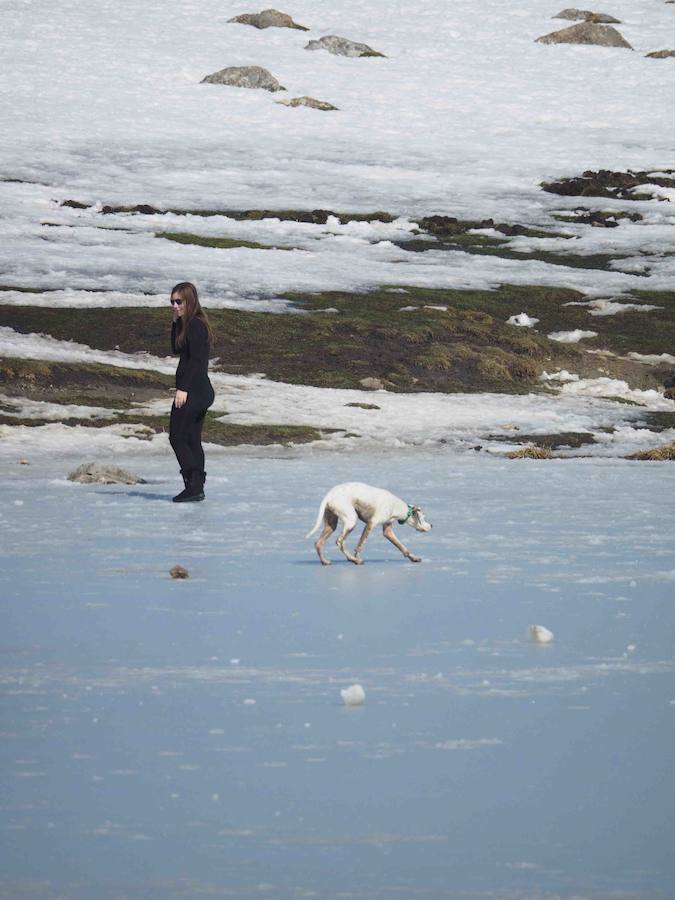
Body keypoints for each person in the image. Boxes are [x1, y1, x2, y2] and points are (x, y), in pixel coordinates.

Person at [168, 282, 215, 502]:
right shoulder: (189, 324)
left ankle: (194, 484)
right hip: (199, 390)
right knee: (192, 439)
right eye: (172, 302)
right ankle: (197, 486)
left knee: (177, 437)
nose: (175, 306)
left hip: (194, 391)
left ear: (190, 301)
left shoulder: (196, 325)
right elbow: (176, 349)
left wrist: (183, 389)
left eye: (179, 302)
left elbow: (196, 361)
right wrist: (175, 323)